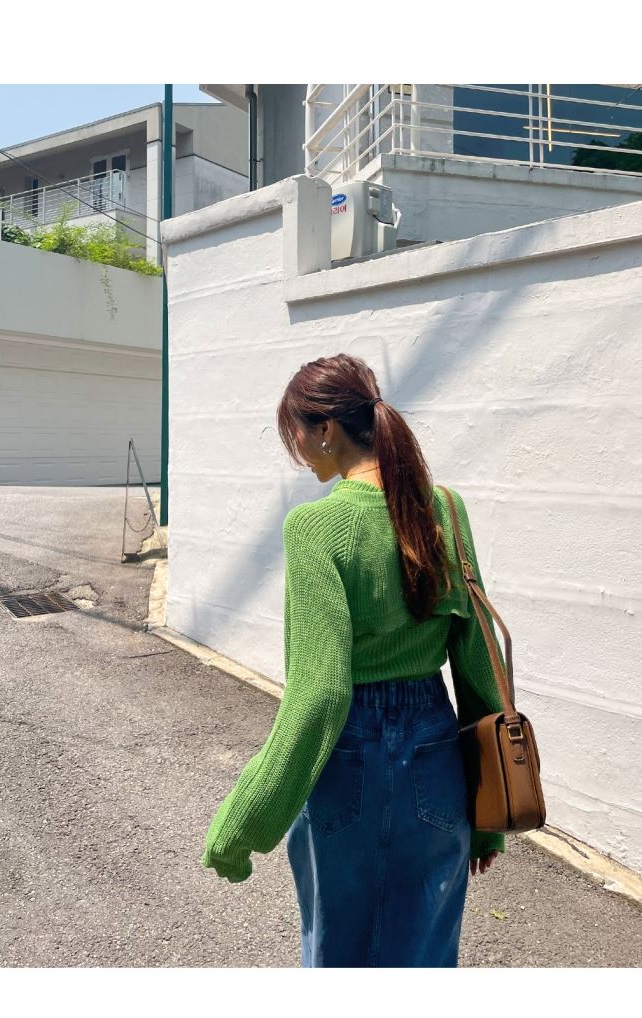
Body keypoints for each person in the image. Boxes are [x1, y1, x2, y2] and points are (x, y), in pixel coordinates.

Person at [201, 353, 506, 967]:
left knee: (338, 950)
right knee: (423, 953)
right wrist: (487, 815)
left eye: (294, 432)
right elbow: (478, 657)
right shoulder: (445, 509)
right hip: (436, 755)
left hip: (349, 756)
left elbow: (321, 694)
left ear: (325, 430)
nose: (296, 449)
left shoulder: (316, 527)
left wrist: (245, 819)